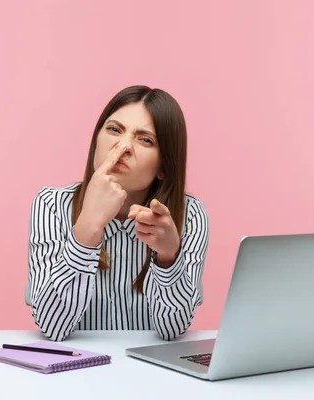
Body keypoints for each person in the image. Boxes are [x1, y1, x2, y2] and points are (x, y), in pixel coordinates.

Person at [27, 85, 210, 342]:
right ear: (96, 140)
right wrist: (88, 227)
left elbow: (172, 330)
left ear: (164, 167)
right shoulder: (52, 205)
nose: (123, 146)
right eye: (114, 130)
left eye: (145, 140)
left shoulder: (189, 215)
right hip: (78, 371)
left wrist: (168, 256)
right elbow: (53, 327)